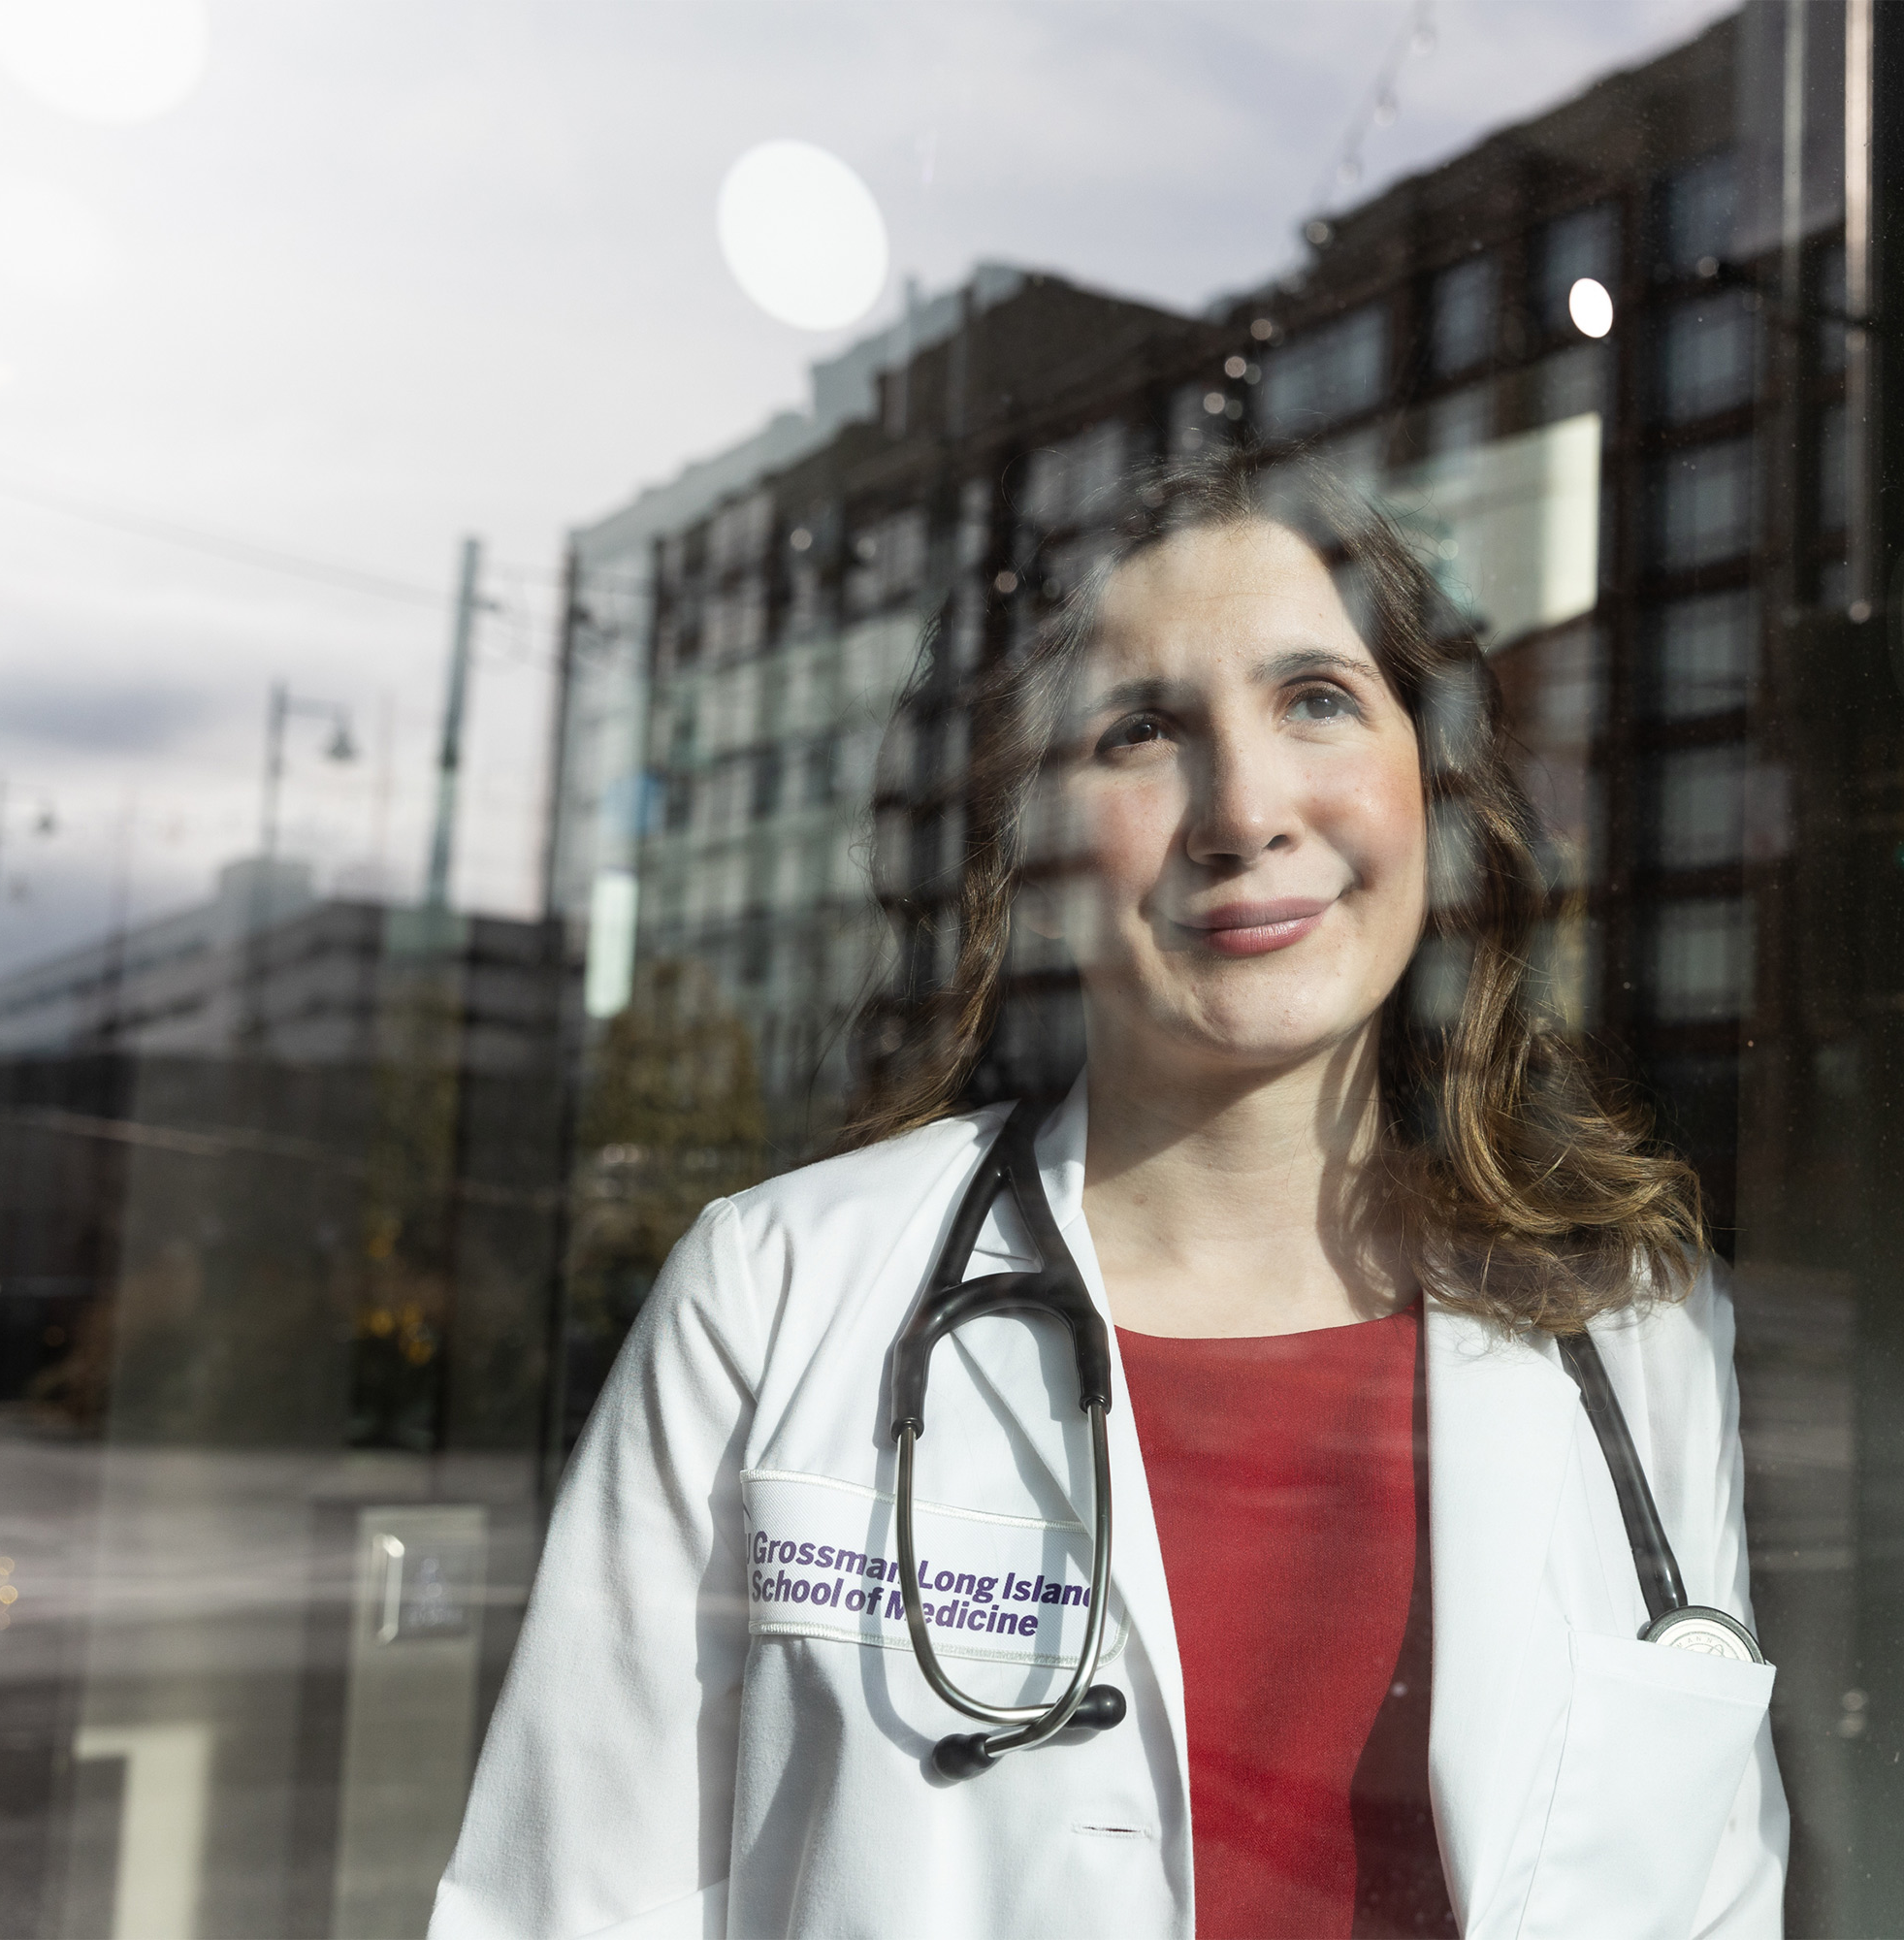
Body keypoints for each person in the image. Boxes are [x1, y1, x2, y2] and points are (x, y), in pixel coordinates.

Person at [431, 451, 1788, 1940]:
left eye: (1318, 699)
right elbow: (564, 1908)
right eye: (1144, 730)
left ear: (1435, 778)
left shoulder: (1633, 1329)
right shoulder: (776, 1296)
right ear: (1038, 850)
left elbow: (1720, 1898)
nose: (1245, 810)